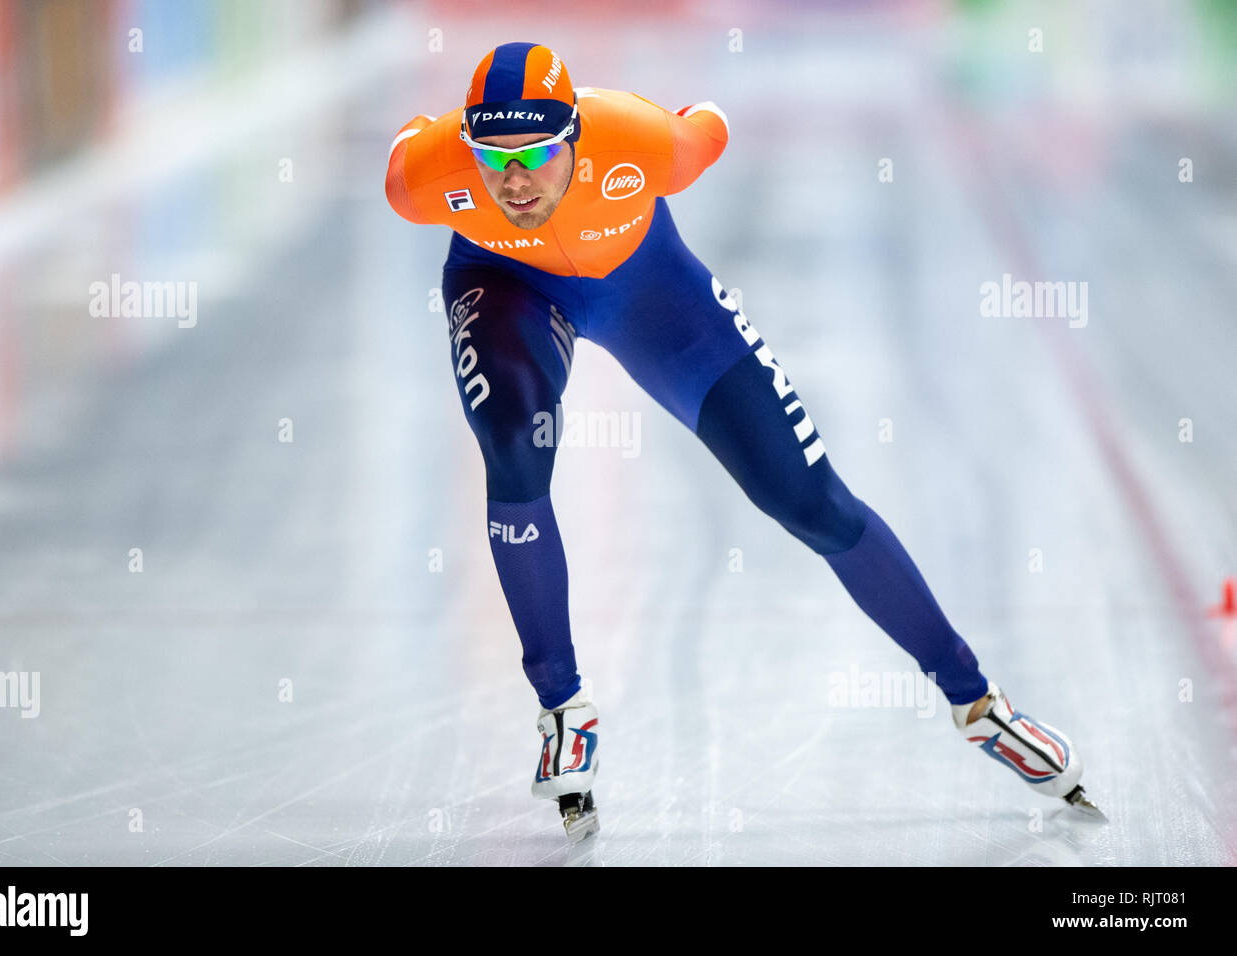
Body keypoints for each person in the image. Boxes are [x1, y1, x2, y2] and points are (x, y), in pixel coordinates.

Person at [385, 42, 1102, 840]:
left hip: (651, 293)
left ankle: (977, 702)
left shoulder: (645, 141)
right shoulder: (426, 173)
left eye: (537, 156)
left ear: (577, 139)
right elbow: (407, 147)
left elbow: (709, 124)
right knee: (513, 444)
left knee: (808, 500)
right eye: (493, 159)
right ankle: (563, 708)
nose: (514, 181)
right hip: (507, 286)